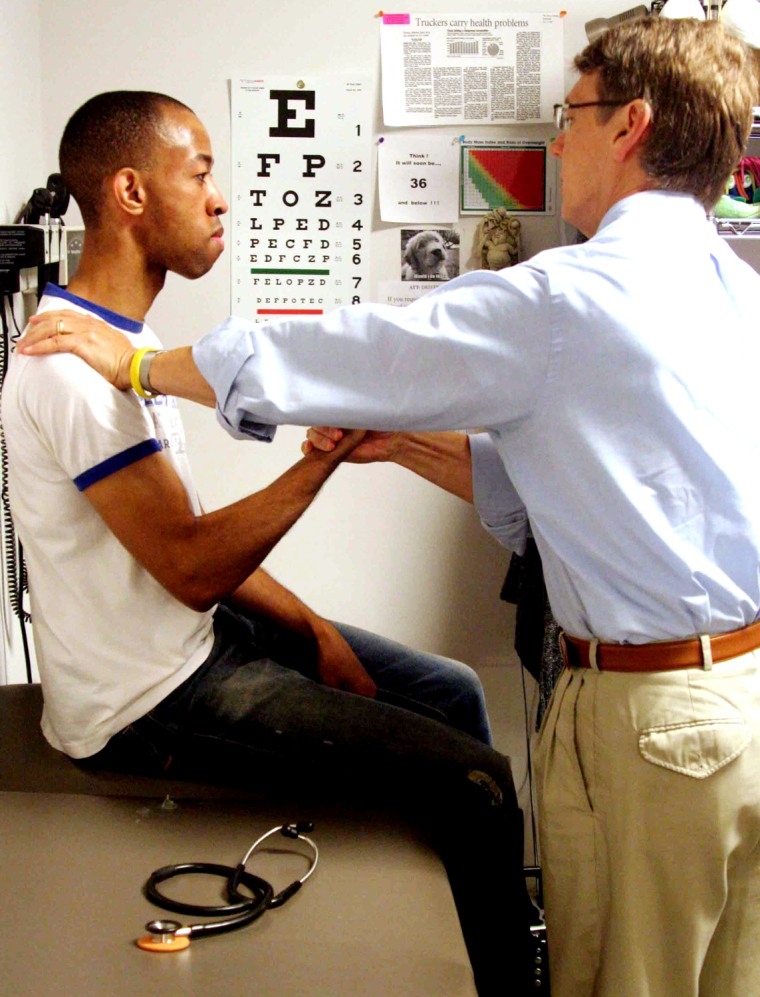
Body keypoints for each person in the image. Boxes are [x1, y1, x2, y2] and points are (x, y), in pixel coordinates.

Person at [20, 17, 760, 996]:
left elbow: (369, 352)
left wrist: (159, 369)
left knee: (625, 967)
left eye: (567, 116)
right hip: (735, 699)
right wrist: (389, 458)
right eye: (201, 172)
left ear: (628, 126)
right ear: (128, 193)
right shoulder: (730, 286)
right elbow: (601, 482)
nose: (556, 139)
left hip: (656, 720)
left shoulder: (570, 297)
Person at [1, 90, 541, 996]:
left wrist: (316, 630)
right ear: (130, 193)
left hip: (199, 645)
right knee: (479, 781)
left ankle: (470, 909)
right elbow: (191, 565)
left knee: (449, 687)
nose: (220, 199)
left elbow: (189, 548)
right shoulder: (69, 372)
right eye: (201, 174)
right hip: (146, 704)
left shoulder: (125, 349)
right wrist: (321, 461)